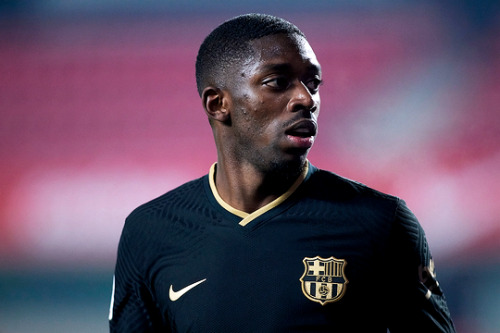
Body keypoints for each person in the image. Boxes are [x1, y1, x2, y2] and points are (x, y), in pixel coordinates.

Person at [109, 13, 455, 332]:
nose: (307, 99)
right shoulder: (150, 232)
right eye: (278, 82)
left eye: (313, 83)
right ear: (218, 104)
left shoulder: (381, 222)